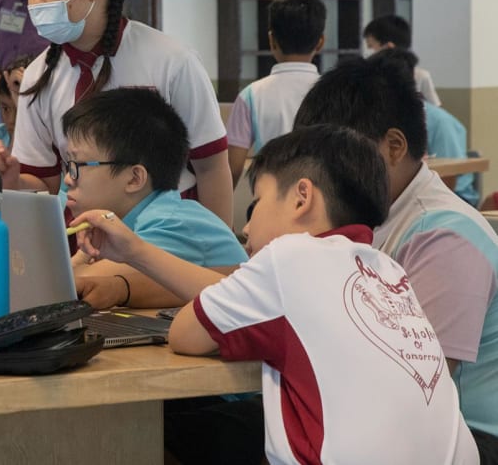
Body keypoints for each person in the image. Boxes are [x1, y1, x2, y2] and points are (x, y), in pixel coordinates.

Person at [70, 124, 478, 465]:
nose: (246, 229)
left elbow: (186, 334)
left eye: (258, 202)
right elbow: (244, 298)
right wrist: (137, 253)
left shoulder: (289, 256)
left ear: (302, 196)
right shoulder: (385, 270)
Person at [294, 52, 498, 463]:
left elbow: (417, 383)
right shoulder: (378, 216)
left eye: (336, 160)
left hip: (467, 437)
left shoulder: (446, 235)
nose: (322, 178)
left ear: (393, 147)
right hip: (400, 423)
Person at [0, 0, 234, 226]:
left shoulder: (172, 61)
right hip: (85, 239)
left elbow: (211, 167)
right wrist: (15, 182)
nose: (37, 2)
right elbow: (45, 184)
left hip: (167, 236)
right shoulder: (38, 76)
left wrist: (220, 256)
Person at [62, 88, 246, 310]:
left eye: (77, 166)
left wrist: (81, 259)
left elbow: (77, 288)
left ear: (134, 178)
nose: (67, 179)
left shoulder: (172, 223)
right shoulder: (137, 217)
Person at [226, 0, 323, 188]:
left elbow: (231, 169)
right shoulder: (336, 92)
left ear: (271, 41)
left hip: (269, 206)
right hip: (324, 210)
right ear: (320, 42)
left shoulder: (251, 95)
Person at [378, 47, 478, 205]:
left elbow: (449, 177)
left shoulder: (439, 121)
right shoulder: (382, 117)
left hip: (454, 198)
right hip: (410, 197)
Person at [364, 14, 441, 106]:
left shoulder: (420, 76)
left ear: (389, 48)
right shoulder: (366, 77)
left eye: (370, 46)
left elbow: (435, 112)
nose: (366, 53)